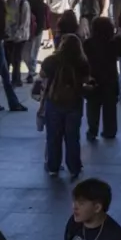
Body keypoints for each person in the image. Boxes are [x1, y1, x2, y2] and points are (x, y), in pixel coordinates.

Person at [41, 34, 91, 179]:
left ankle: (53, 167)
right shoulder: (81, 62)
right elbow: (86, 79)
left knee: (53, 136)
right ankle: (74, 167)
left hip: (54, 101)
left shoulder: (51, 61)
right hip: (74, 102)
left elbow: (43, 75)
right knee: (72, 137)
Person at [83, 17, 121, 141]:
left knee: (92, 107)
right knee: (110, 107)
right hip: (110, 78)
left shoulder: (88, 43)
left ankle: (92, 130)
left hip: (93, 77)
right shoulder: (114, 43)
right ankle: (110, 131)